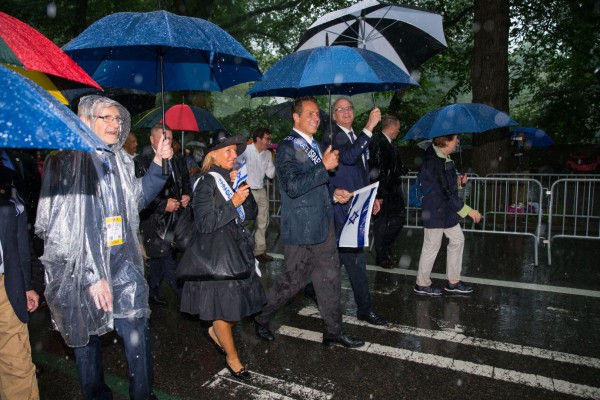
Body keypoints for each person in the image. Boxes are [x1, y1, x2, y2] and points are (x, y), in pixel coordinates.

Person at [35, 95, 173, 400]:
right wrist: (91, 275)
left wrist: (160, 162)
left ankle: (143, 395)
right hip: (80, 272)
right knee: (87, 343)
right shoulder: (65, 162)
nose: (115, 124)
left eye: (118, 119)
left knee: (137, 337)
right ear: (85, 120)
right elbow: (62, 230)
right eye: (106, 118)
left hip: (123, 266)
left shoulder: (119, 159)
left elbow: (135, 200)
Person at [253, 96, 364, 348]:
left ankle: (333, 332)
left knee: (330, 280)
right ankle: (260, 317)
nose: (316, 118)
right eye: (310, 114)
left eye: (317, 115)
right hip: (302, 230)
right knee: (293, 282)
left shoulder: (312, 145)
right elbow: (292, 187)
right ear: (296, 117)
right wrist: (324, 167)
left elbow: (314, 184)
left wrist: (333, 194)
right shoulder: (287, 147)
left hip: (324, 227)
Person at [179, 130, 266, 381]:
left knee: (235, 310)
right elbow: (205, 223)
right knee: (224, 311)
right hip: (216, 258)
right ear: (212, 155)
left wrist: (239, 190)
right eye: (227, 150)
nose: (233, 155)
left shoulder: (229, 178)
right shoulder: (205, 182)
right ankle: (233, 358)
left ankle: (216, 332)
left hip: (236, 253)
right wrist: (233, 203)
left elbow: (248, 214)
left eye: (235, 151)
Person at [315, 97, 388, 326]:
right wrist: (370, 127)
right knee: (352, 259)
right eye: (340, 109)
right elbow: (347, 158)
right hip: (340, 207)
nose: (346, 112)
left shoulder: (354, 136)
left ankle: (311, 288)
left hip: (356, 204)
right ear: (334, 115)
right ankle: (363, 309)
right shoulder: (330, 135)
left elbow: (361, 169)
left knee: (340, 259)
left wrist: (371, 196)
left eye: (349, 108)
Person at [414, 134, 481, 296]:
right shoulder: (433, 161)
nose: (458, 141)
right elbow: (443, 192)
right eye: (456, 139)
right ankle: (421, 284)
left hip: (445, 210)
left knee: (457, 240)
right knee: (432, 246)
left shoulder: (443, 157)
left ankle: (453, 282)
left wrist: (459, 183)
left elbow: (446, 187)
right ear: (445, 141)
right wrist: (468, 211)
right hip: (436, 210)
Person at [137, 124, 191, 306]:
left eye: (169, 138)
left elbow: (185, 183)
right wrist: (162, 205)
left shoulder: (177, 159)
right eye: (162, 138)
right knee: (168, 261)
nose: (166, 142)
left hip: (175, 218)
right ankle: (186, 299)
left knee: (160, 258)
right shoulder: (141, 162)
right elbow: (139, 195)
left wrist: (186, 196)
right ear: (152, 140)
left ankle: (152, 292)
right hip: (155, 222)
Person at [0, 168, 40, 400]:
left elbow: (18, 237)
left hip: (6, 286)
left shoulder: (7, 179)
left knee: (16, 366)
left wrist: (26, 284)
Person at [368, 115, 409, 268]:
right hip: (384, 192)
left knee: (397, 221)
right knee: (382, 225)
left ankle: (387, 250)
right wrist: (378, 195)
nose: (398, 131)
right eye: (397, 128)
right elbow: (375, 169)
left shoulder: (392, 144)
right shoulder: (378, 143)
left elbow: (394, 165)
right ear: (392, 128)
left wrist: (402, 168)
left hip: (393, 191)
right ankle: (382, 256)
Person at [235, 127, 276, 264]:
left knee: (263, 221)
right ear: (258, 138)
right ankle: (241, 251)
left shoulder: (268, 154)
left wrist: (275, 162)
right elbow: (235, 167)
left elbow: (270, 174)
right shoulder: (246, 151)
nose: (269, 141)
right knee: (247, 222)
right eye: (267, 138)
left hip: (261, 190)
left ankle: (259, 251)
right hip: (247, 190)